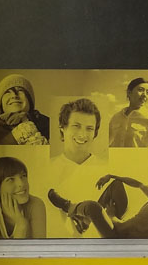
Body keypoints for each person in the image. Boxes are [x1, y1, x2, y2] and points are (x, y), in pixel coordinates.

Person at [45, 98, 108, 237]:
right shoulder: (46, 168)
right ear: (63, 129)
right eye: (76, 126)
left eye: (89, 128)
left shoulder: (106, 169)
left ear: (95, 133)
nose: (82, 134)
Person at [47, 172, 148, 239]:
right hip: (127, 230)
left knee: (93, 207)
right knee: (117, 184)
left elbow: (121, 228)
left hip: (119, 241)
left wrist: (111, 215)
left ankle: (68, 206)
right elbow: (140, 185)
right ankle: (85, 222)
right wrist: (112, 176)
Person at [0, 157, 46, 239]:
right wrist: (21, 225)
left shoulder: (36, 205)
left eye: (23, 176)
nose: (21, 184)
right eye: (10, 179)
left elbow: (38, 246)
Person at [0, 74, 50, 145]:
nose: (14, 96)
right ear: (1, 104)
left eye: (20, 91)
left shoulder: (49, 125)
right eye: (7, 92)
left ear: (30, 100)